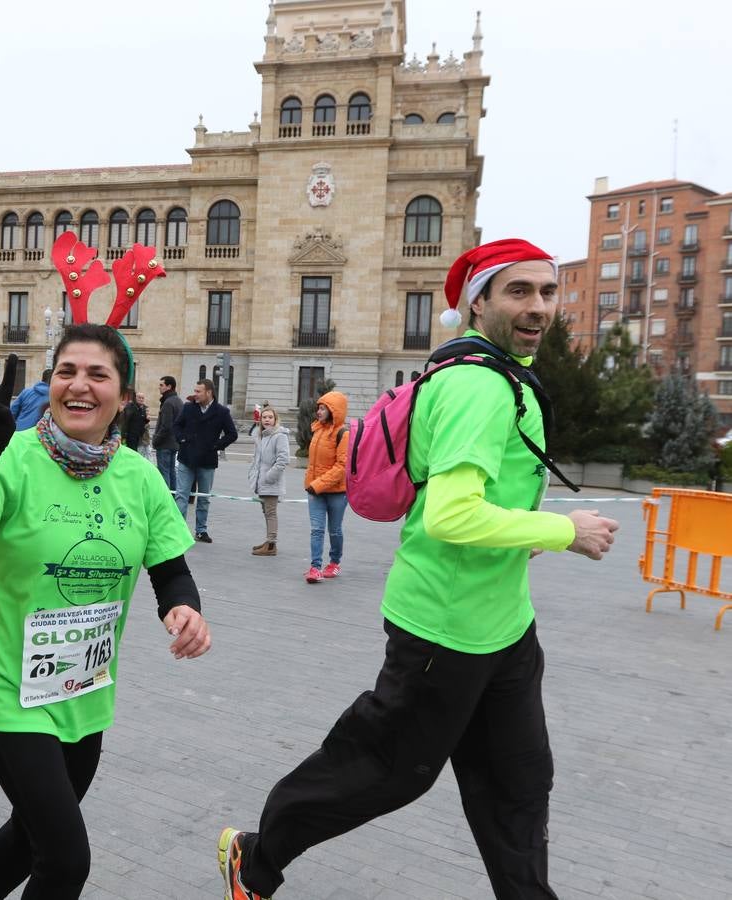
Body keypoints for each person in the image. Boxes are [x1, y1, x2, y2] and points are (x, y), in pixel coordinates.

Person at [217, 238, 621, 900]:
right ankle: (255, 857)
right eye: (518, 291)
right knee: (385, 770)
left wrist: (521, 534)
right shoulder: (477, 386)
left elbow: (471, 500)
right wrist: (562, 531)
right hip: (443, 628)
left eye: (547, 291)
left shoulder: (502, 374)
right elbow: (452, 516)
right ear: (479, 303)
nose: (539, 307)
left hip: (504, 627)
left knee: (519, 784)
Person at [0, 332, 211, 900]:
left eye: (97, 375)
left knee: (29, 836)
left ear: (124, 397)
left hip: (84, 691)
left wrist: (185, 608)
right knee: (64, 858)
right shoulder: (12, 457)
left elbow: (170, 570)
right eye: (66, 371)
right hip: (8, 689)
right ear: (51, 383)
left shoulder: (139, 476)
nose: (79, 385)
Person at [173, 378, 237, 543]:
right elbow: (177, 426)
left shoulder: (222, 412)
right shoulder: (188, 408)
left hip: (207, 461)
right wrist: (182, 439)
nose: (195, 394)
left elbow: (232, 434)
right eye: (195, 391)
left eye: (198, 391)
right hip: (186, 458)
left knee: (204, 498)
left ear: (209, 392)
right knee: (181, 496)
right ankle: (178, 530)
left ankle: (201, 531)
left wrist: (216, 446)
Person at [303, 390, 349, 583]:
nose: (319, 412)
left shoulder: (343, 433)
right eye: (319, 408)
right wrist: (311, 483)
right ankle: (315, 567)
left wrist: (318, 484)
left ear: (334, 410)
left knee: (335, 530)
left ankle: (334, 562)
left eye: (323, 408)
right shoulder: (317, 430)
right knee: (317, 529)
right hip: (315, 491)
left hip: (337, 492)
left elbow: (342, 466)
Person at [247, 406, 290, 557]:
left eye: (270, 417)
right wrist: (254, 476)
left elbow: (283, 460)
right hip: (261, 483)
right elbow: (257, 460)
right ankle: (269, 540)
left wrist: (269, 477)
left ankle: (271, 544)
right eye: (264, 417)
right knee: (266, 512)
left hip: (271, 483)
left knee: (271, 512)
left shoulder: (280, 436)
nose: (267, 420)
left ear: (275, 419)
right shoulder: (262, 436)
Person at [152, 375, 183, 490]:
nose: (159, 387)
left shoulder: (168, 402)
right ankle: (173, 496)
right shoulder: (178, 401)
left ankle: (166, 498)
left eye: (162, 385)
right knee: (171, 472)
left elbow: (166, 426)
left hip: (165, 444)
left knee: (164, 472)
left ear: (169, 386)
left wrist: (156, 440)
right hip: (174, 443)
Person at [120, 389, 150, 457]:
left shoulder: (143, 408)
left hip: (139, 436)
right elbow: (126, 421)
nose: (141, 399)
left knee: (136, 453)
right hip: (130, 435)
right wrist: (124, 435)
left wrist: (146, 420)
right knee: (131, 453)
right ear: (135, 398)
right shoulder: (130, 407)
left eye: (142, 398)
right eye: (139, 397)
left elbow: (141, 421)